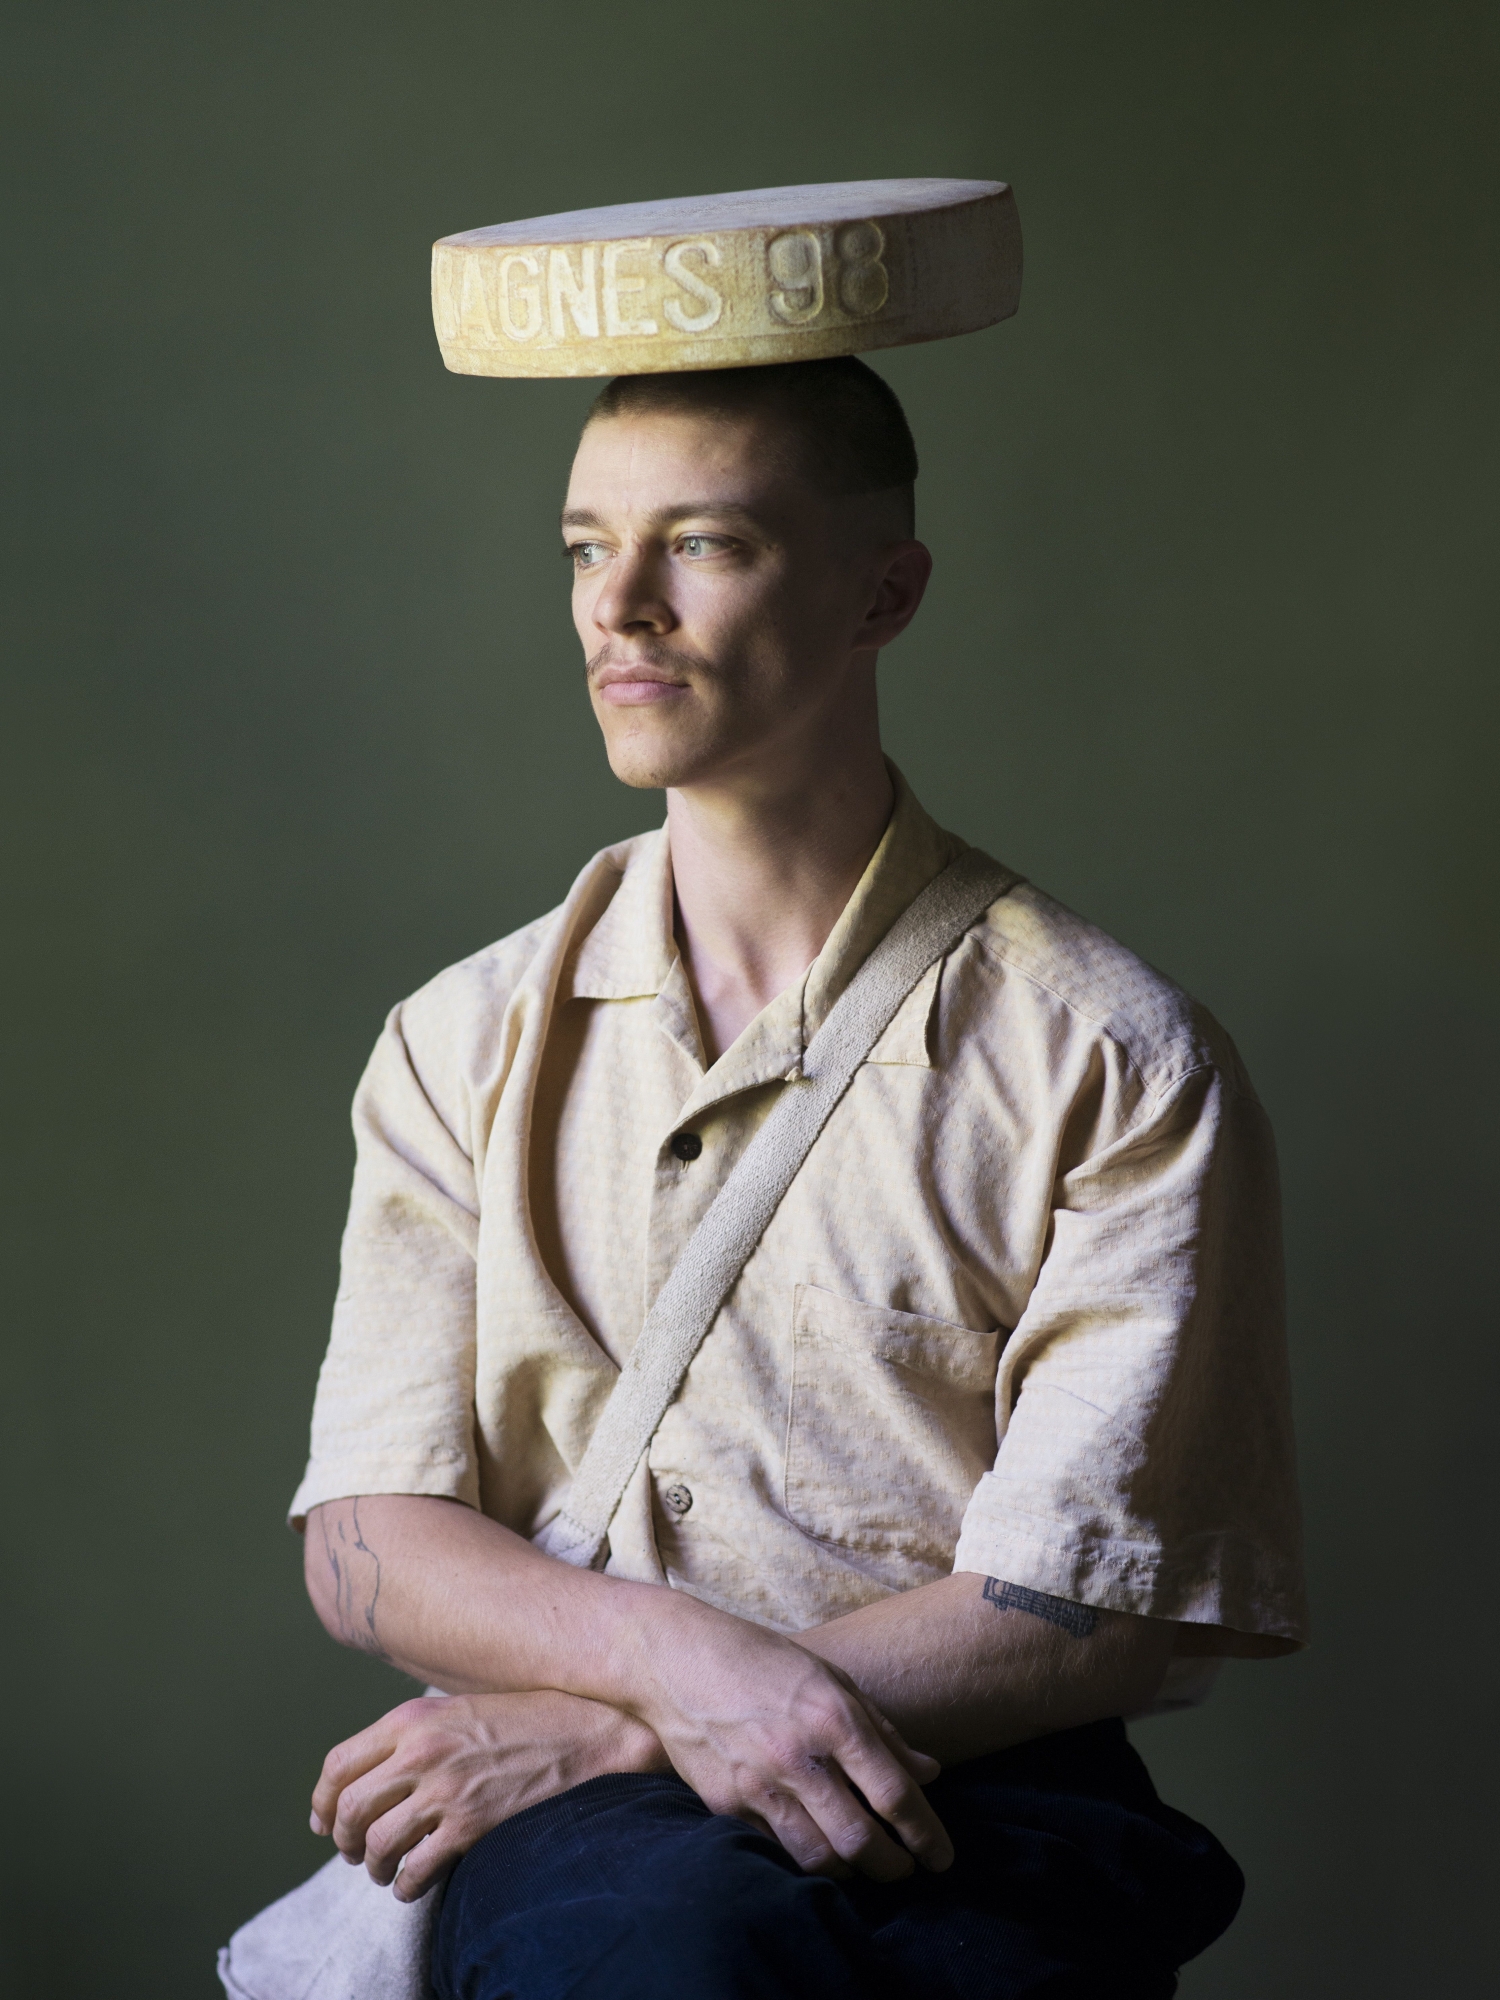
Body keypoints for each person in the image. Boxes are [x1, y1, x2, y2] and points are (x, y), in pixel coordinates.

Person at [290, 357, 1306, 2000]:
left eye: (701, 543)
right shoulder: (455, 1044)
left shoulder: (1108, 1054)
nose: (620, 606)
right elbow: (370, 1532)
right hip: (604, 1879)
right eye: (580, 547)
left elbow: (1090, 1601)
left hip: (994, 1813)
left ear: (881, 591)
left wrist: (592, 1728)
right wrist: (677, 1678)